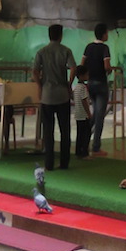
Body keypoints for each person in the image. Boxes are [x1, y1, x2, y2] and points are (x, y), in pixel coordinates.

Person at [33, 24, 76, 171]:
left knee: (48, 131)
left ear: (49, 35)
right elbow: (73, 68)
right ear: (60, 35)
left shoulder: (41, 51)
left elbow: (35, 71)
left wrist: (40, 85)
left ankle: (49, 164)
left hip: (47, 95)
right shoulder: (66, 50)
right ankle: (64, 163)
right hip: (62, 94)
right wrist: (69, 83)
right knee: (65, 130)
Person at [82, 23, 111, 156]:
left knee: (94, 114)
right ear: (103, 34)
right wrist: (110, 70)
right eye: (107, 33)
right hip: (101, 84)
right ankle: (96, 147)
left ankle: (84, 140)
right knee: (99, 116)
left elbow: (82, 64)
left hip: (90, 84)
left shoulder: (88, 47)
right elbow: (107, 66)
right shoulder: (105, 48)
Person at [73, 65, 92, 158]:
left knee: (79, 134)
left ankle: (78, 152)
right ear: (81, 75)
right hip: (84, 115)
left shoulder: (76, 87)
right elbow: (84, 101)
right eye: (86, 74)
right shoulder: (83, 87)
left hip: (78, 115)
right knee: (86, 134)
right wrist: (89, 113)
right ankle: (84, 153)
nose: (88, 76)